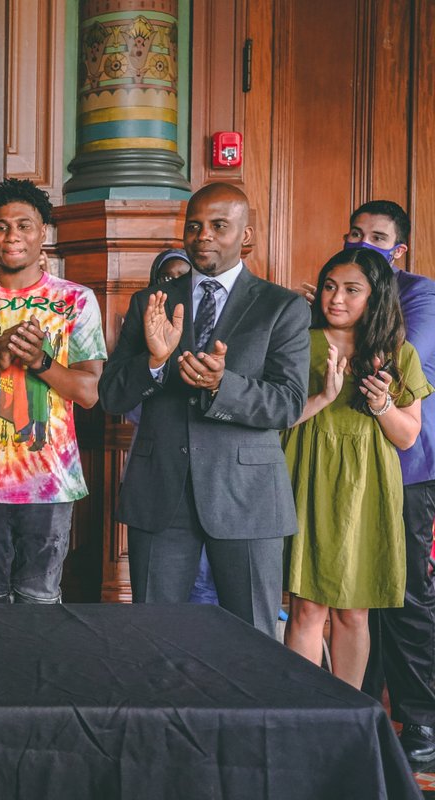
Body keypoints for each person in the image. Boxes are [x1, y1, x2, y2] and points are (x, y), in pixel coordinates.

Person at [98, 182, 311, 637]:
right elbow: (113, 395)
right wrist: (153, 363)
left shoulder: (282, 307)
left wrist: (222, 385)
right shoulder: (150, 302)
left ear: (246, 236)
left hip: (247, 496)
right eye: (193, 226)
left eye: (218, 226)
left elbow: (288, 403)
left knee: (253, 637)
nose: (203, 236)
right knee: (155, 637)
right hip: (160, 495)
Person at [0, 178, 105, 604]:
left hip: (50, 485)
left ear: (42, 231)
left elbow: (88, 393)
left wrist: (39, 362)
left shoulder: (76, 301)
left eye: (24, 225)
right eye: (2, 226)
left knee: (40, 603)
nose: (12, 236)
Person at [282, 247, 429, 687]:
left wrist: (382, 403)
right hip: (305, 473)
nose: (336, 298)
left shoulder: (398, 353)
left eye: (351, 289)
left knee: (354, 609)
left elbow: (406, 436)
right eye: (329, 286)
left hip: (367, 486)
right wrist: (323, 397)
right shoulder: (297, 342)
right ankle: (304, 713)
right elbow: (270, 419)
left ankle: (348, 716)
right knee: (306, 606)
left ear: (376, 296)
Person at [329, 201, 435, 768]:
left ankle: (420, 719)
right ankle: (360, 710)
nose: (363, 242)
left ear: (398, 251)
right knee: (352, 591)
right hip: (343, 461)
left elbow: (385, 354)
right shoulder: (338, 289)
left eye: (377, 237)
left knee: (405, 594)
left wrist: (336, 314)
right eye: (355, 233)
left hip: (409, 464)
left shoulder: (420, 294)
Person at [127, 249, 219, 606]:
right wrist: (157, 361)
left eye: (186, 274)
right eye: (167, 278)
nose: (176, 284)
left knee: (209, 595)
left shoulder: (215, 333)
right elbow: (126, 405)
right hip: (159, 478)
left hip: (216, 484)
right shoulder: (139, 332)